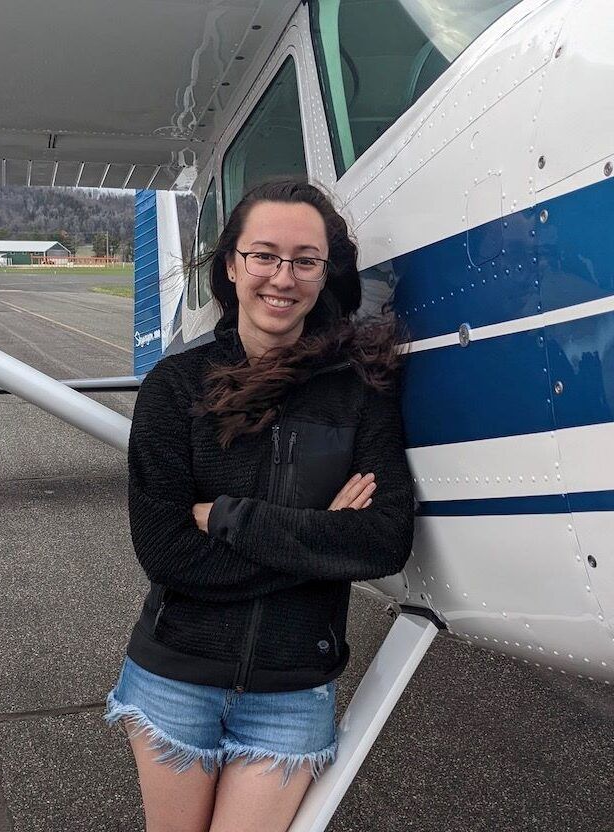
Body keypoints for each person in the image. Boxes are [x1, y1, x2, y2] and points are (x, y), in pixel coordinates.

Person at [103, 179, 414, 832]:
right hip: (173, 678)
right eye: (264, 255)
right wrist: (321, 538)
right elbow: (165, 551)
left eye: (305, 260)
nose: (283, 277)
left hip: (290, 694)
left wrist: (226, 518)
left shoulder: (360, 391)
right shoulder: (174, 387)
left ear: (325, 273)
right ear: (231, 265)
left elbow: (384, 541)